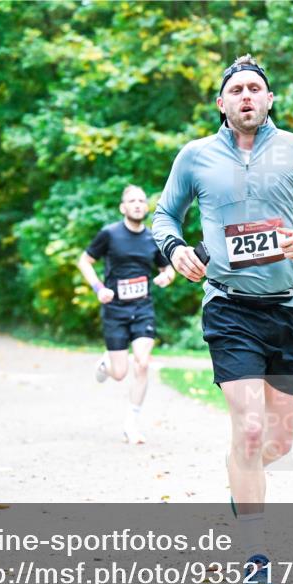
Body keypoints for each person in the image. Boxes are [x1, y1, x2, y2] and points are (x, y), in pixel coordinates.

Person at [152, 54, 293, 584]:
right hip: (229, 307)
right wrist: (175, 249)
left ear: (269, 100)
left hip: (288, 309)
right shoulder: (195, 156)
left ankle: (242, 474)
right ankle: (256, 559)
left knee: (278, 442)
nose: (245, 96)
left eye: (255, 88)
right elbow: (163, 216)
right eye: (236, 89)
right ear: (222, 103)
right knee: (251, 429)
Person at [77, 185, 175, 444]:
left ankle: (131, 422)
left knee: (142, 363)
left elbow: (168, 268)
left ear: (146, 207)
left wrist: (166, 276)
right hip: (115, 309)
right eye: (132, 200)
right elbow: (84, 261)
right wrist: (99, 288)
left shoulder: (152, 238)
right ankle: (105, 363)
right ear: (123, 207)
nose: (137, 204)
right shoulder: (109, 234)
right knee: (119, 373)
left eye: (142, 200)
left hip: (142, 309)